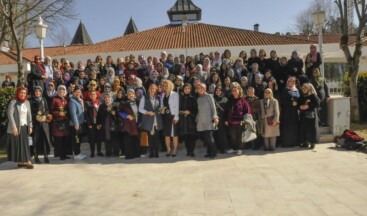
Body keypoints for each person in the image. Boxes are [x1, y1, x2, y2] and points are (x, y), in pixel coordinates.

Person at [7, 87, 34, 169]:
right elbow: (10, 115)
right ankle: (27, 161)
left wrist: (30, 126)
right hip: (17, 126)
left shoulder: (27, 102)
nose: (23, 94)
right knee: (18, 145)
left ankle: (22, 161)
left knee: (25, 144)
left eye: (24, 93)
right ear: (18, 93)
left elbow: (29, 115)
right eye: (21, 93)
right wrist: (14, 126)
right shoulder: (13, 102)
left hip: (25, 126)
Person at [224, 82, 252, 155]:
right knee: (232, 136)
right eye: (233, 91)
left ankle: (240, 149)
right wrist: (226, 120)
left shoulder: (243, 100)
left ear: (239, 91)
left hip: (240, 122)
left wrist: (244, 120)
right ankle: (234, 148)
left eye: (236, 90)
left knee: (240, 136)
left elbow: (248, 111)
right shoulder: (230, 100)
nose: (234, 92)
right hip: (231, 122)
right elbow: (226, 111)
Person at [139, 83, 163, 158]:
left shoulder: (159, 98)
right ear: (149, 89)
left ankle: (156, 152)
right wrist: (147, 112)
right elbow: (140, 109)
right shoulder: (144, 97)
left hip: (157, 120)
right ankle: (151, 152)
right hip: (148, 120)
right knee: (150, 137)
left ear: (156, 89)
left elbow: (161, 108)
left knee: (156, 137)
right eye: (151, 88)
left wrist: (160, 111)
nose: (152, 90)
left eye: (153, 89)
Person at [29, 86, 51, 164]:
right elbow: (30, 112)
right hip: (36, 123)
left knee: (45, 140)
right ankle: (36, 157)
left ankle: (46, 156)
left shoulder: (44, 99)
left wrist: (45, 115)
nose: (38, 93)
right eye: (36, 91)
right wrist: (36, 117)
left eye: (39, 91)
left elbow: (47, 109)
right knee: (36, 140)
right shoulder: (31, 101)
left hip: (44, 123)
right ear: (34, 92)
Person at [196, 83, 218, 159]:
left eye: (202, 88)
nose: (200, 89)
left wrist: (215, 117)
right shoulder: (198, 99)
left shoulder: (209, 96)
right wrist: (197, 119)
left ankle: (214, 152)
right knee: (206, 138)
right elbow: (199, 110)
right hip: (201, 121)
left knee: (209, 138)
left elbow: (213, 108)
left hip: (209, 120)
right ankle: (209, 152)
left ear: (205, 89)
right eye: (199, 88)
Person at [50, 85, 71, 160]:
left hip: (66, 122)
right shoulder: (54, 99)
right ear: (57, 91)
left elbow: (69, 109)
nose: (61, 91)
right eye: (60, 90)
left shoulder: (67, 99)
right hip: (58, 122)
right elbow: (51, 110)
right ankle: (61, 155)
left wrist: (66, 113)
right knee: (60, 139)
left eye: (63, 90)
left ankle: (65, 154)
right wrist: (58, 113)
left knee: (66, 138)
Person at [119, 89, 140, 159]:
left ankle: (136, 153)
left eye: (132, 94)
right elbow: (119, 112)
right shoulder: (123, 102)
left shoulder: (137, 101)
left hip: (135, 124)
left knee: (135, 139)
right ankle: (129, 155)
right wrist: (127, 116)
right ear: (127, 95)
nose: (131, 95)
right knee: (128, 140)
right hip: (127, 124)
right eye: (129, 94)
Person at [160, 80, 179, 157]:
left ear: (170, 86)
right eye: (164, 86)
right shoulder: (163, 95)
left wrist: (176, 117)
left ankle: (175, 150)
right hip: (166, 116)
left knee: (174, 134)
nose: (165, 87)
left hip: (173, 116)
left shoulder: (175, 94)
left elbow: (177, 106)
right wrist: (162, 110)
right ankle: (168, 150)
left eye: (166, 85)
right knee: (166, 134)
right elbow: (161, 107)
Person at [298, 83, 320, 149]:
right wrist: (300, 107)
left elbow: (317, 104)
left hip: (311, 115)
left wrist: (308, 106)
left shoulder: (313, 95)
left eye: (305, 88)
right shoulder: (301, 96)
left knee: (311, 129)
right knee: (304, 129)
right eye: (303, 88)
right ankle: (306, 142)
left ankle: (312, 143)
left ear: (309, 88)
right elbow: (298, 104)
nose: (304, 89)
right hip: (304, 116)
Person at [280, 77, 300, 147]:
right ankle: (287, 143)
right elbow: (282, 101)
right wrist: (291, 104)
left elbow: (299, 99)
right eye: (290, 81)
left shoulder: (297, 90)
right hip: (287, 111)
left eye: (293, 81)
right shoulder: (285, 90)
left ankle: (294, 142)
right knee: (287, 127)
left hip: (295, 112)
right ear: (287, 82)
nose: (291, 82)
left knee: (294, 126)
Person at [179, 83, 198, 157]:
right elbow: (178, 109)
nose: (187, 90)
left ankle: (192, 151)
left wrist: (190, 112)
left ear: (190, 89)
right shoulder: (181, 98)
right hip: (183, 120)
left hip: (191, 120)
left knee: (192, 137)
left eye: (188, 89)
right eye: (185, 89)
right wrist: (183, 112)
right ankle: (188, 151)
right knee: (186, 137)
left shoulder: (193, 99)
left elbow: (196, 110)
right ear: (183, 90)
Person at [69, 85, 86, 160]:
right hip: (75, 124)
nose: (78, 93)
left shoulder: (80, 100)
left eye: (79, 92)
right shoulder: (72, 101)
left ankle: (78, 152)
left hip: (80, 123)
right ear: (73, 92)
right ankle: (76, 154)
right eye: (76, 92)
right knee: (76, 140)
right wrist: (76, 123)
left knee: (79, 139)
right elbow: (73, 113)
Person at [85, 90, 103, 157]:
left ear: (96, 95)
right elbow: (86, 115)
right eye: (91, 94)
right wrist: (89, 124)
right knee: (92, 139)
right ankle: (92, 152)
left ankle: (99, 151)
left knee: (99, 138)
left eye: (94, 94)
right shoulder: (87, 103)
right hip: (91, 124)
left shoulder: (99, 102)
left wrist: (100, 123)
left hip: (98, 123)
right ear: (89, 96)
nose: (93, 95)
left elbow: (101, 114)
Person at [213, 86, 228, 153]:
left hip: (222, 119)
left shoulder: (225, 99)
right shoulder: (212, 98)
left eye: (220, 90)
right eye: (217, 90)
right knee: (215, 134)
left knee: (222, 134)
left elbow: (227, 110)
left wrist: (226, 119)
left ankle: (223, 148)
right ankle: (215, 148)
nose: (218, 91)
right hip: (214, 119)